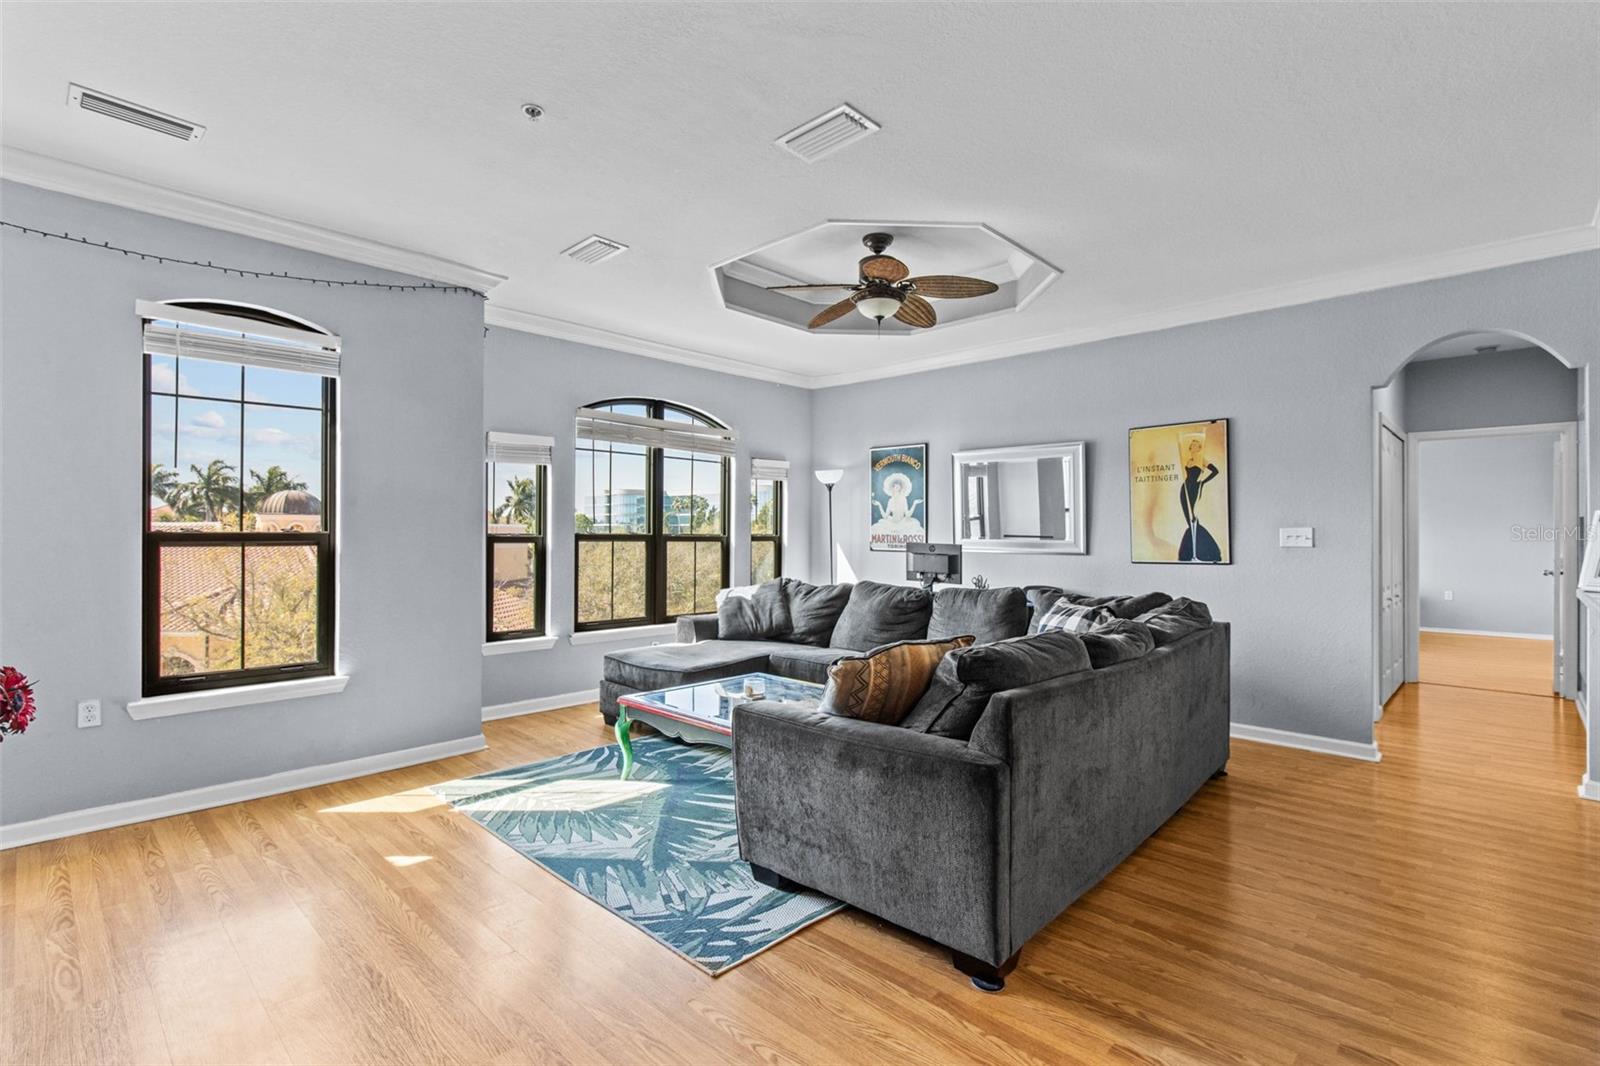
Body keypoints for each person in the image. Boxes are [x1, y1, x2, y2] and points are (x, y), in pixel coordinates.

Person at [1178, 436, 1222, 562]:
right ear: (1190, 448)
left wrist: (1202, 482)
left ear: (1199, 448)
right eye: (1192, 445)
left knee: (1193, 519)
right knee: (1189, 519)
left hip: (1194, 489)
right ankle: (1192, 551)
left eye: (1196, 445)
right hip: (1185, 488)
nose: (1194, 446)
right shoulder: (1188, 460)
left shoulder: (1202, 459)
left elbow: (1215, 471)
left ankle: (1205, 550)